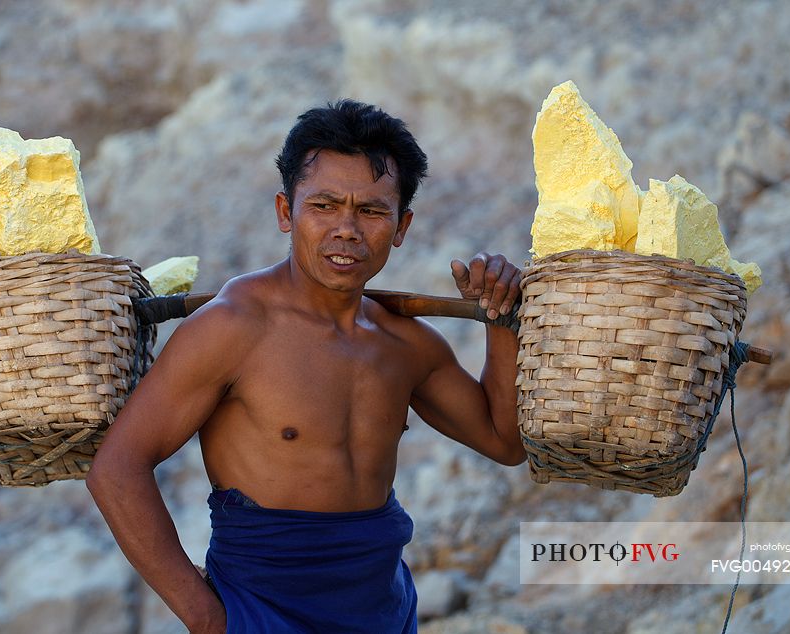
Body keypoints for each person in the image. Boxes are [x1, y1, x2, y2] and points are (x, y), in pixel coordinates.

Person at [87, 99, 526, 633]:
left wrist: (499, 318)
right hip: (262, 610)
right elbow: (116, 468)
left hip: (384, 608)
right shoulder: (235, 328)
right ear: (284, 212)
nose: (347, 229)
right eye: (323, 205)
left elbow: (505, 442)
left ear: (402, 224)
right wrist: (204, 617)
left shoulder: (404, 343)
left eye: (370, 210)